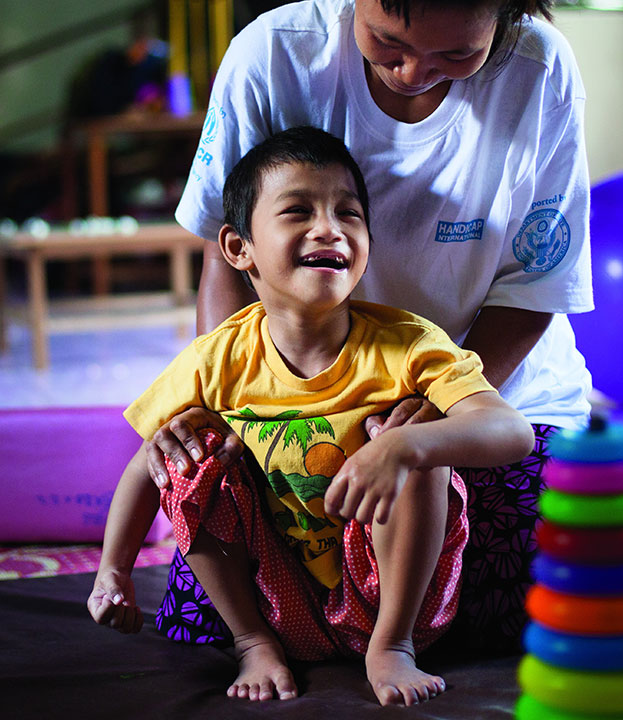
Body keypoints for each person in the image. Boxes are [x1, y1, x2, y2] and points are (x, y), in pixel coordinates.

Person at [149, 0, 593, 652]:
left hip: (478, 390)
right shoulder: (273, 57)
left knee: (552, 573)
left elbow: (535, 284)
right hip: (295, 401)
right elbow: (227, 254)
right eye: (388, 43)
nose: (414, 72)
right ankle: (340, 631)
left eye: (455, 57)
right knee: (210, 562)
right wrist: (239, 410)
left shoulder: (539, 71)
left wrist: (439, 415)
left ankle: (379, 635)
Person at [88, 127, 535, 706]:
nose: (329, 228)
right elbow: (146, 467)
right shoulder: (216, 359)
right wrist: (112, 573)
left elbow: (511, 430)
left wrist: (405, 448)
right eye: (298, 211)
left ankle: (391, 650)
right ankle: (252, 644)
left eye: (348, 214)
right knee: (186, 455)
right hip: (281, 603)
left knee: (422, 450)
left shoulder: (406, 343)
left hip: (389, 598)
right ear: (237, 248)